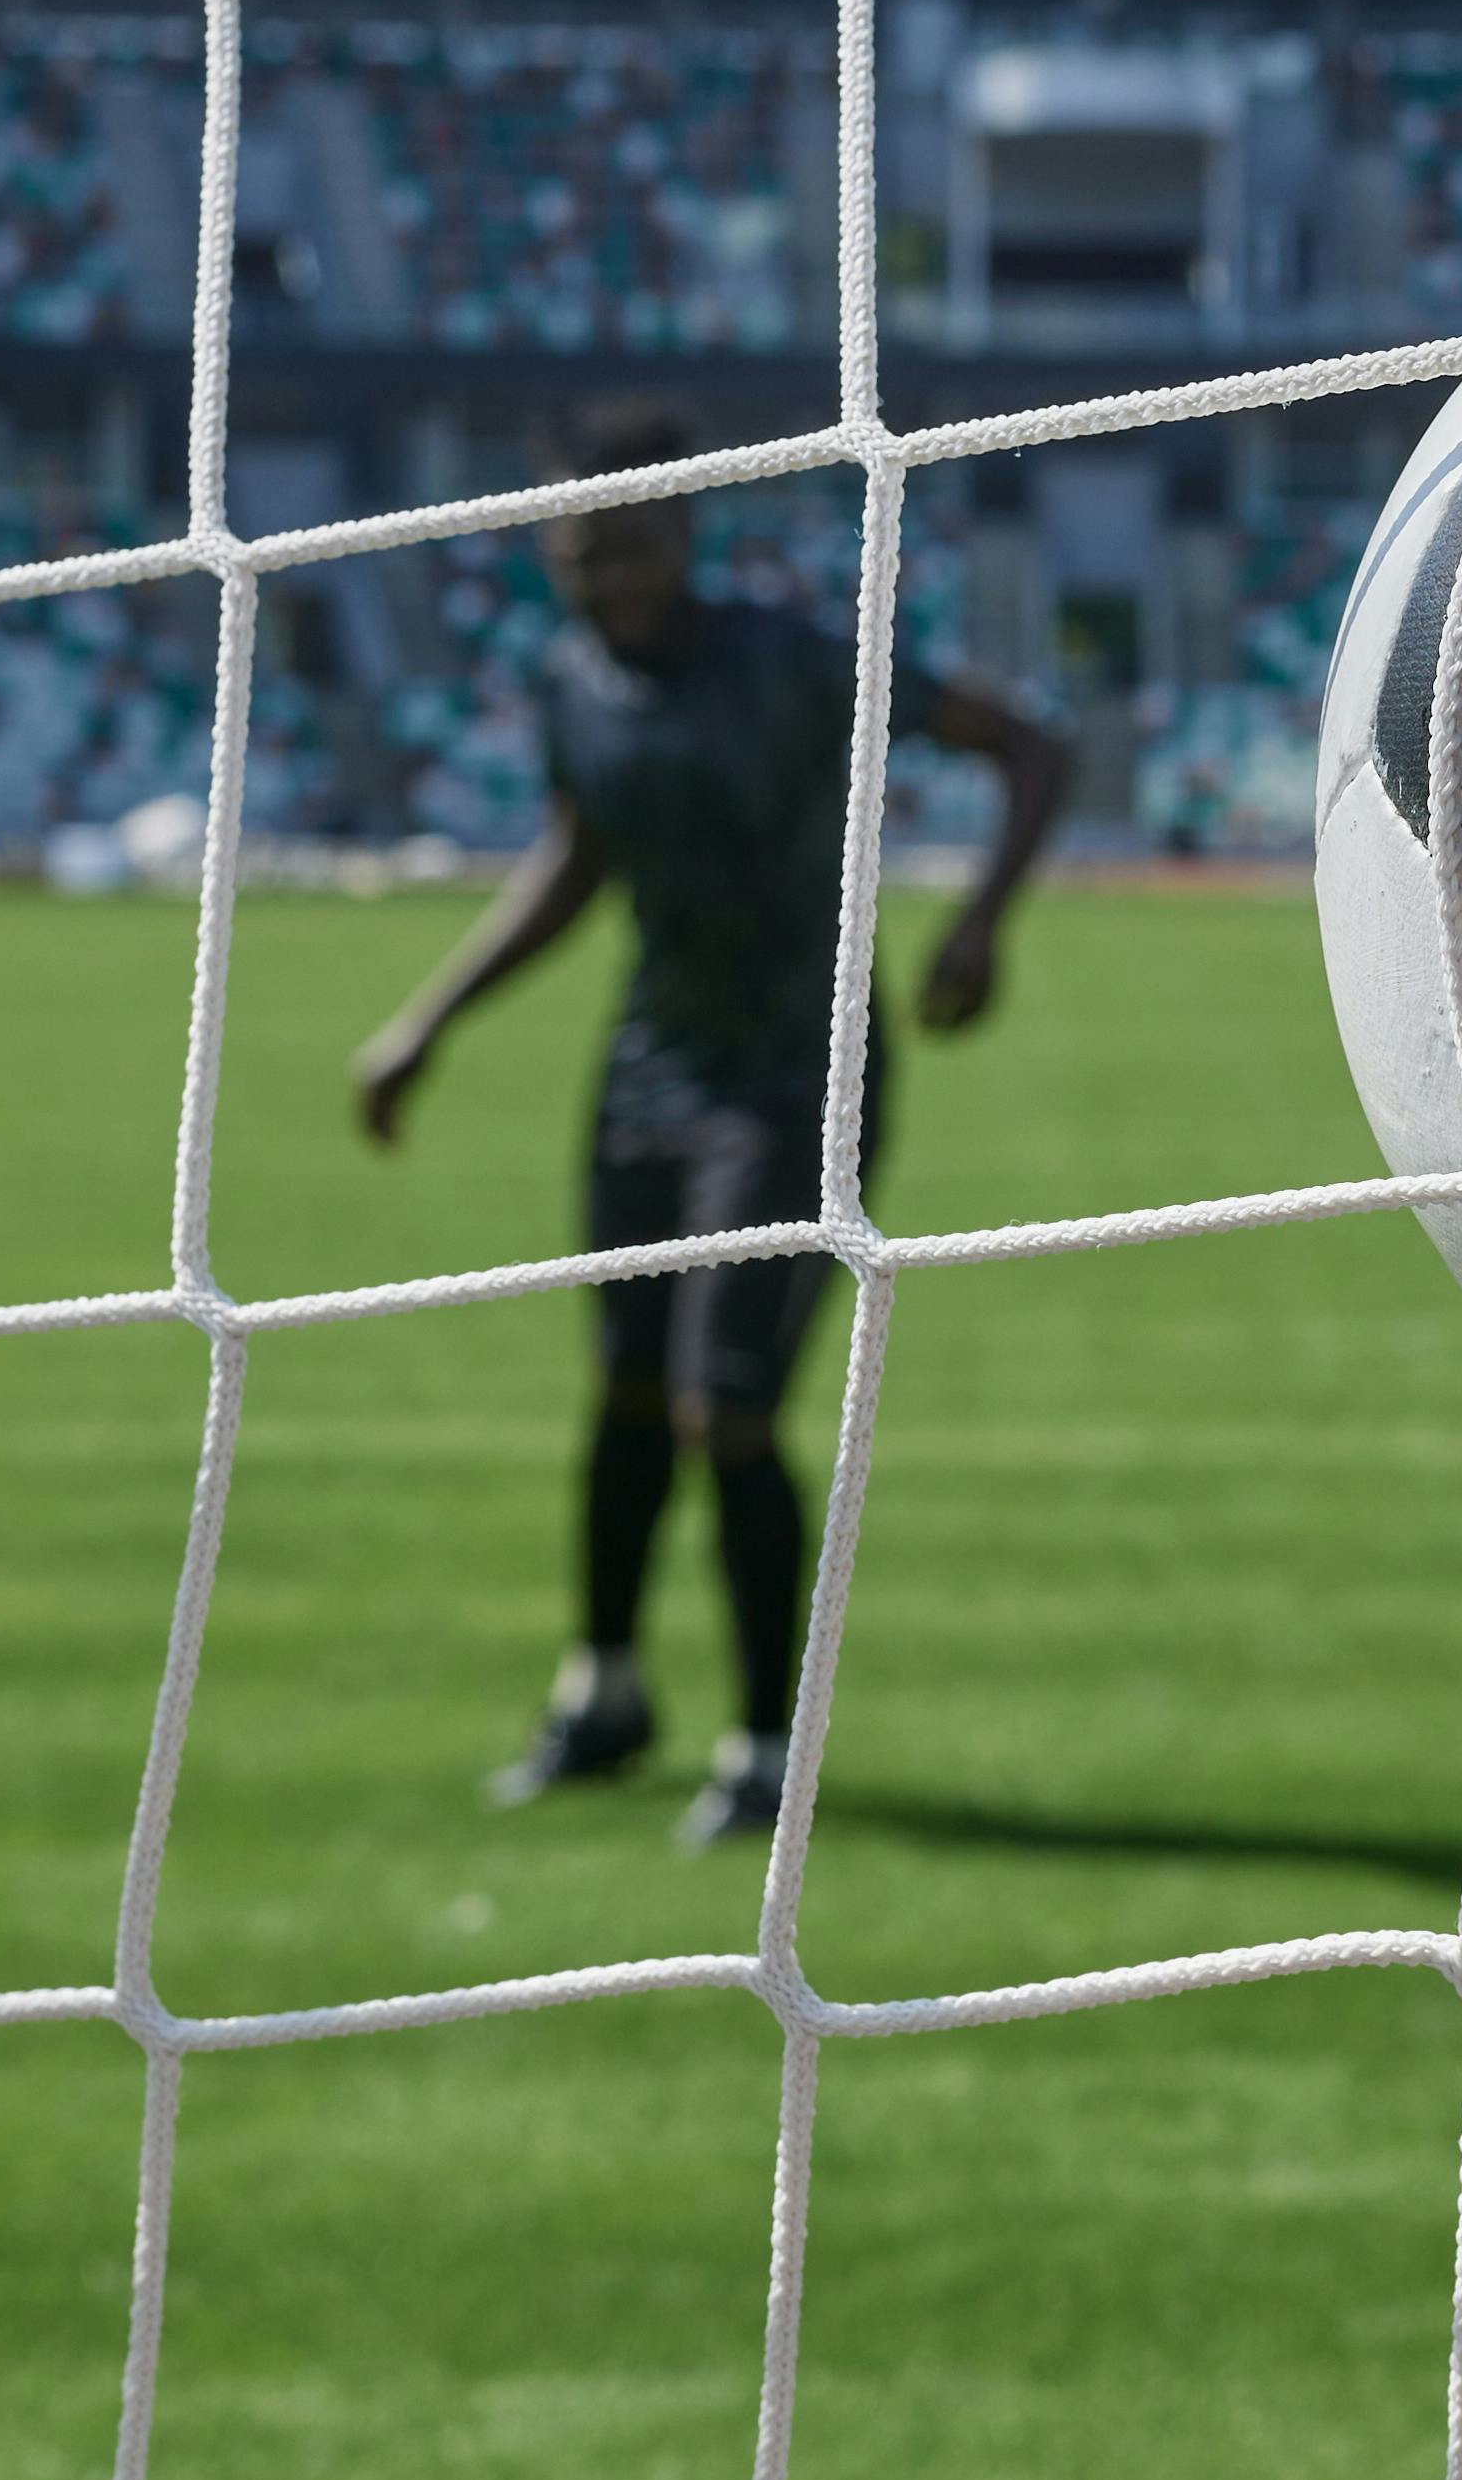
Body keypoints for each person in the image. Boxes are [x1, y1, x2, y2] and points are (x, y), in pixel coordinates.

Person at [353, 409, 1071, 1846]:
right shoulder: (568, 681)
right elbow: (577, 859)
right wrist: (428, 1019)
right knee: (623, 1394)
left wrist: (980, 927)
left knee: (723, 1411)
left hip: (797, 1075)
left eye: (623, 546)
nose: (600, 577)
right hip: (645, 1078)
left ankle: (763, 1748)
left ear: (683, 532)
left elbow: (1029, 752)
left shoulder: (793, 665)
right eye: (574, 553)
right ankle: (603, 1693)